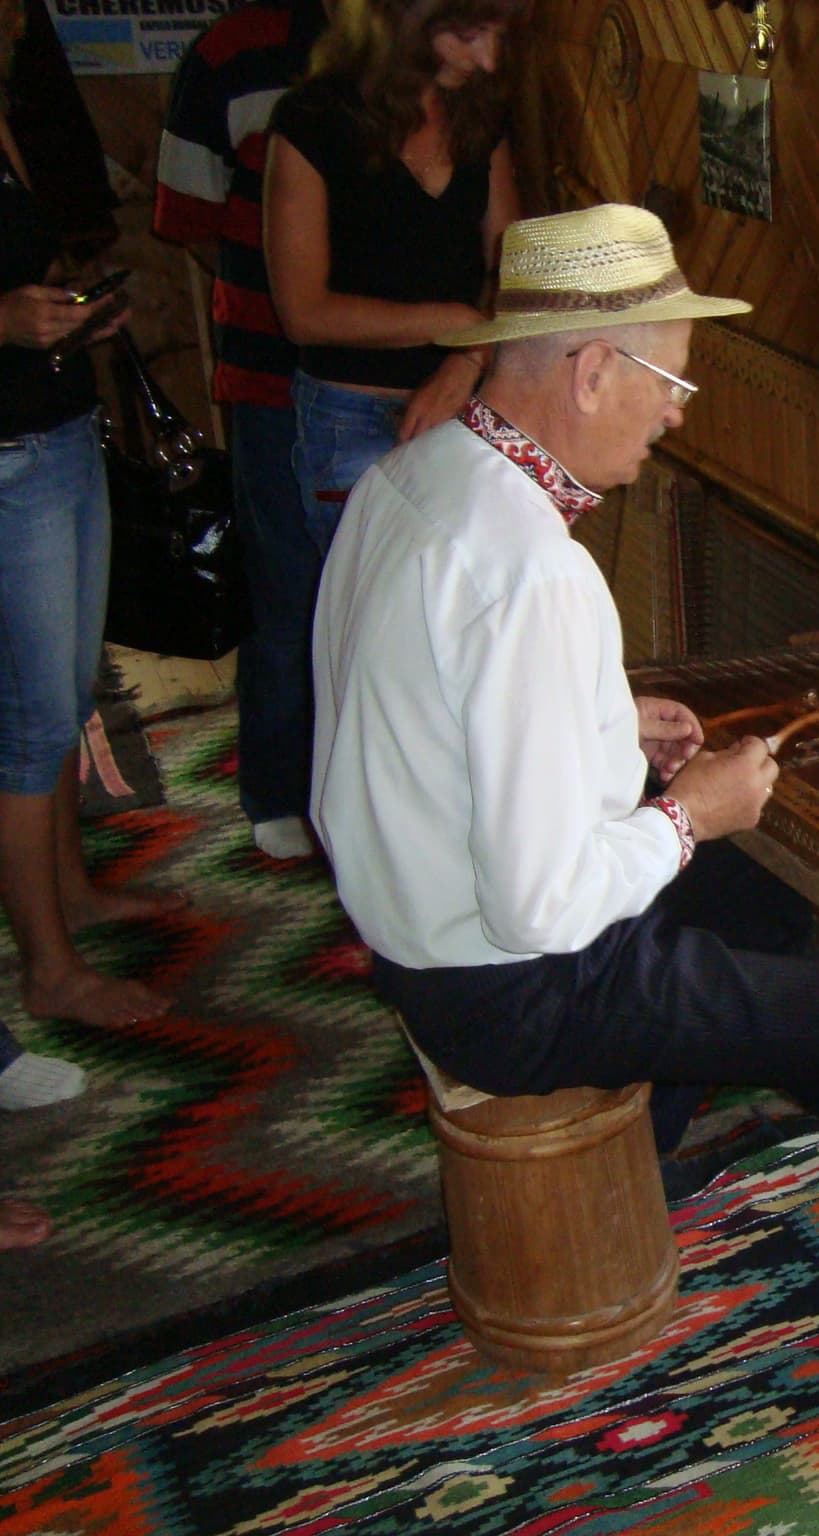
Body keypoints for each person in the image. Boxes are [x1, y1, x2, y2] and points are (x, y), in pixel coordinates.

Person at [311, 204, 819, 1423]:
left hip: (417, 934)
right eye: (666, 382)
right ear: (592, 372)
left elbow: (410, 713)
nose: (678, 412)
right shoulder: (536, 571)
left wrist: (604, 719)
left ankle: (638, 1149)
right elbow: (540, 903)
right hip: (510, 987)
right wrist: (687, 812)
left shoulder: (423, 472)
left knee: (763, 893)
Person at [261, 0, 519, 858]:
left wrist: (467, 360)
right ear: (406, 19)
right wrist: (449, 323)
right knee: (373, 664)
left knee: (460, 653)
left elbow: (510, 275)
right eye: (469, 31)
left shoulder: (481, 114)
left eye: (497, 33)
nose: (488, 56)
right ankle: (377, 867)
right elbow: (303, 311)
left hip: (464, 409)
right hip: (349, 418)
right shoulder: (310, 121)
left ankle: (449, 855)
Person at [0, 0, 177, 1042]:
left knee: (60, 701)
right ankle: (48, 971)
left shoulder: (13, 107)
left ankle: (67, 893)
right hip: (9, 456)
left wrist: (69, 308)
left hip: (54, 425)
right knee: (26, 723)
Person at [155, 0, 330, 863]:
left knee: (387, 599)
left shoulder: (421, 40)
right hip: (272, 381)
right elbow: (187, 221)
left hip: (404, 381)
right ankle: (278, 790)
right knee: (290, 596)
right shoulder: (230, 52)